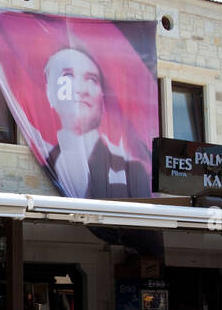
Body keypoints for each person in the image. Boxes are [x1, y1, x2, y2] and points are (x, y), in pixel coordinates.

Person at [41, 46, 150, 199]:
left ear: (102, 98)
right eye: (68, 76)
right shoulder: (43, 163)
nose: (80, 89)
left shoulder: (134, 172)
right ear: (50, 93)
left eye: (91, 79)